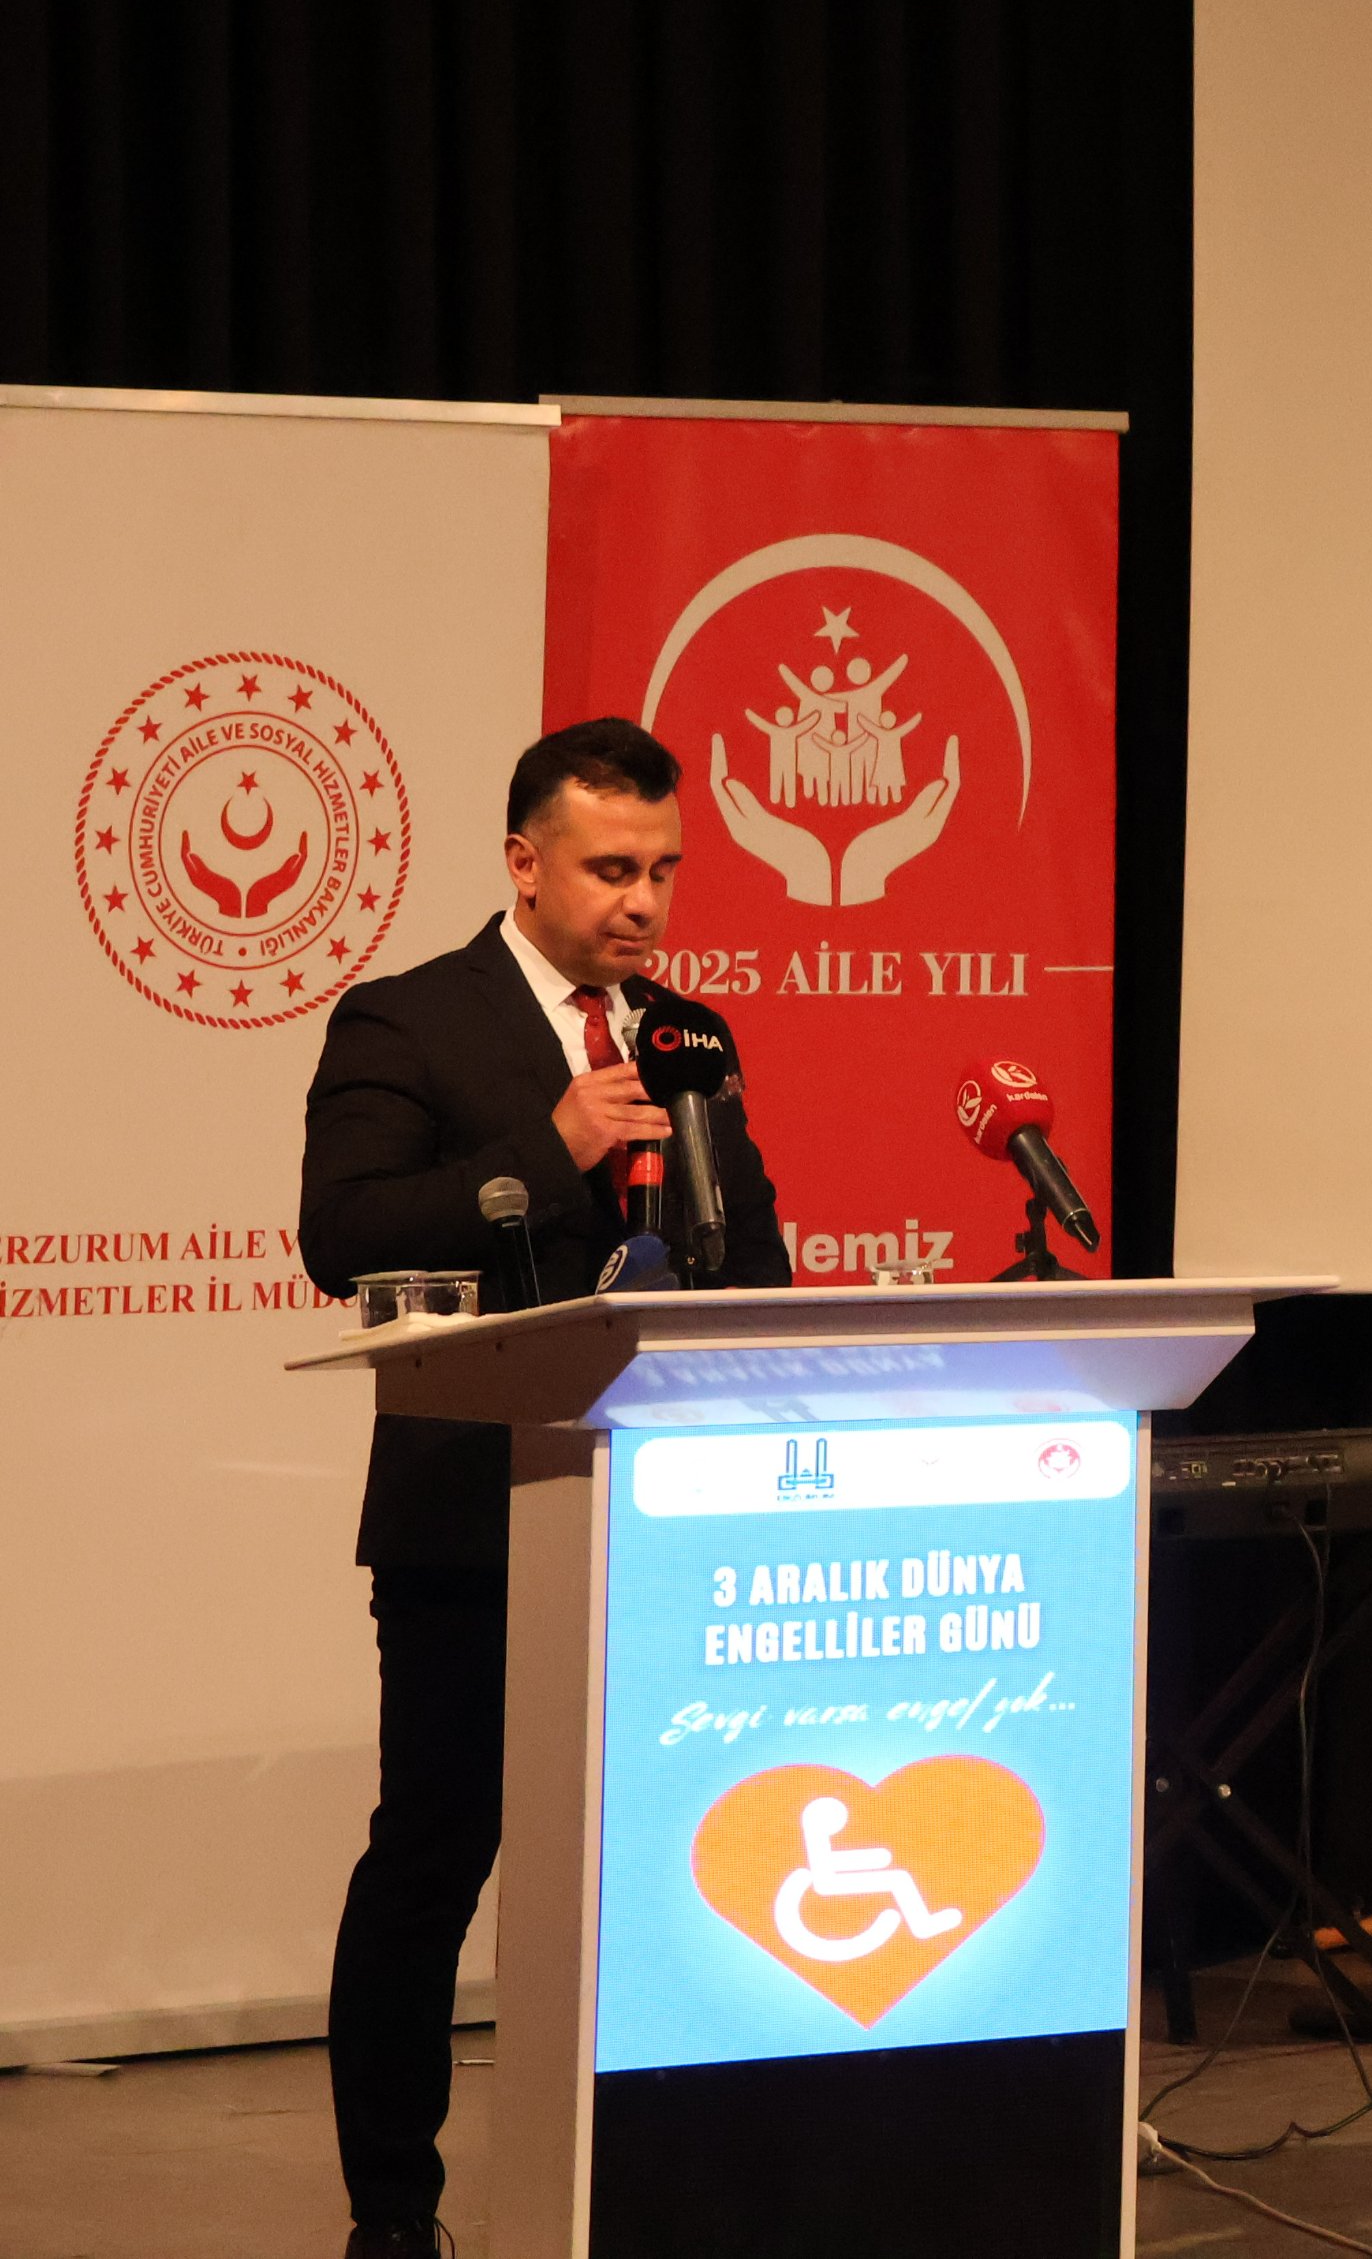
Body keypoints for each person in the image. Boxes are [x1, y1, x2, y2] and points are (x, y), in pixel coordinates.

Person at [300, 718, 791, 2259]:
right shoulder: (409, 1017)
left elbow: (754, 1261)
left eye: (666, 869)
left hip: (670, 1516)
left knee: (675, 1858)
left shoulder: (690, 1035)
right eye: (612, 867)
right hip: (479, 1516)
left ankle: (664, 2175)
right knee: (435, 1853)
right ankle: (396, 2208)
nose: (646, 900)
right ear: (525, 862)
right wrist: (549, 1141)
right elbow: (342, 1231)